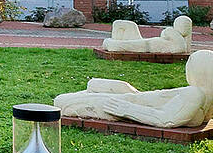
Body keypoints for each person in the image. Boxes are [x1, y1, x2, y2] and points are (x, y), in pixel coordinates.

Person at [55, 49, 213, 129]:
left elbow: (166, 120)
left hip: (126, 103)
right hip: (134, 97)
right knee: (94, 85)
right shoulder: (202, 99)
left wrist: (128, 109)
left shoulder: (195, 94)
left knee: (61, 101)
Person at [102, 15, 193, 54]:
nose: (185, 28)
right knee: (124, 25)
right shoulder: (174, 35)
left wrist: (169, 32)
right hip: (147, 43)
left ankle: (110, 43)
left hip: (147, 46)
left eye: (187, 26)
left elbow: (181, 49)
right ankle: (111, 42)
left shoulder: (179, 40)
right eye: (184, 25)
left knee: (119, 45)